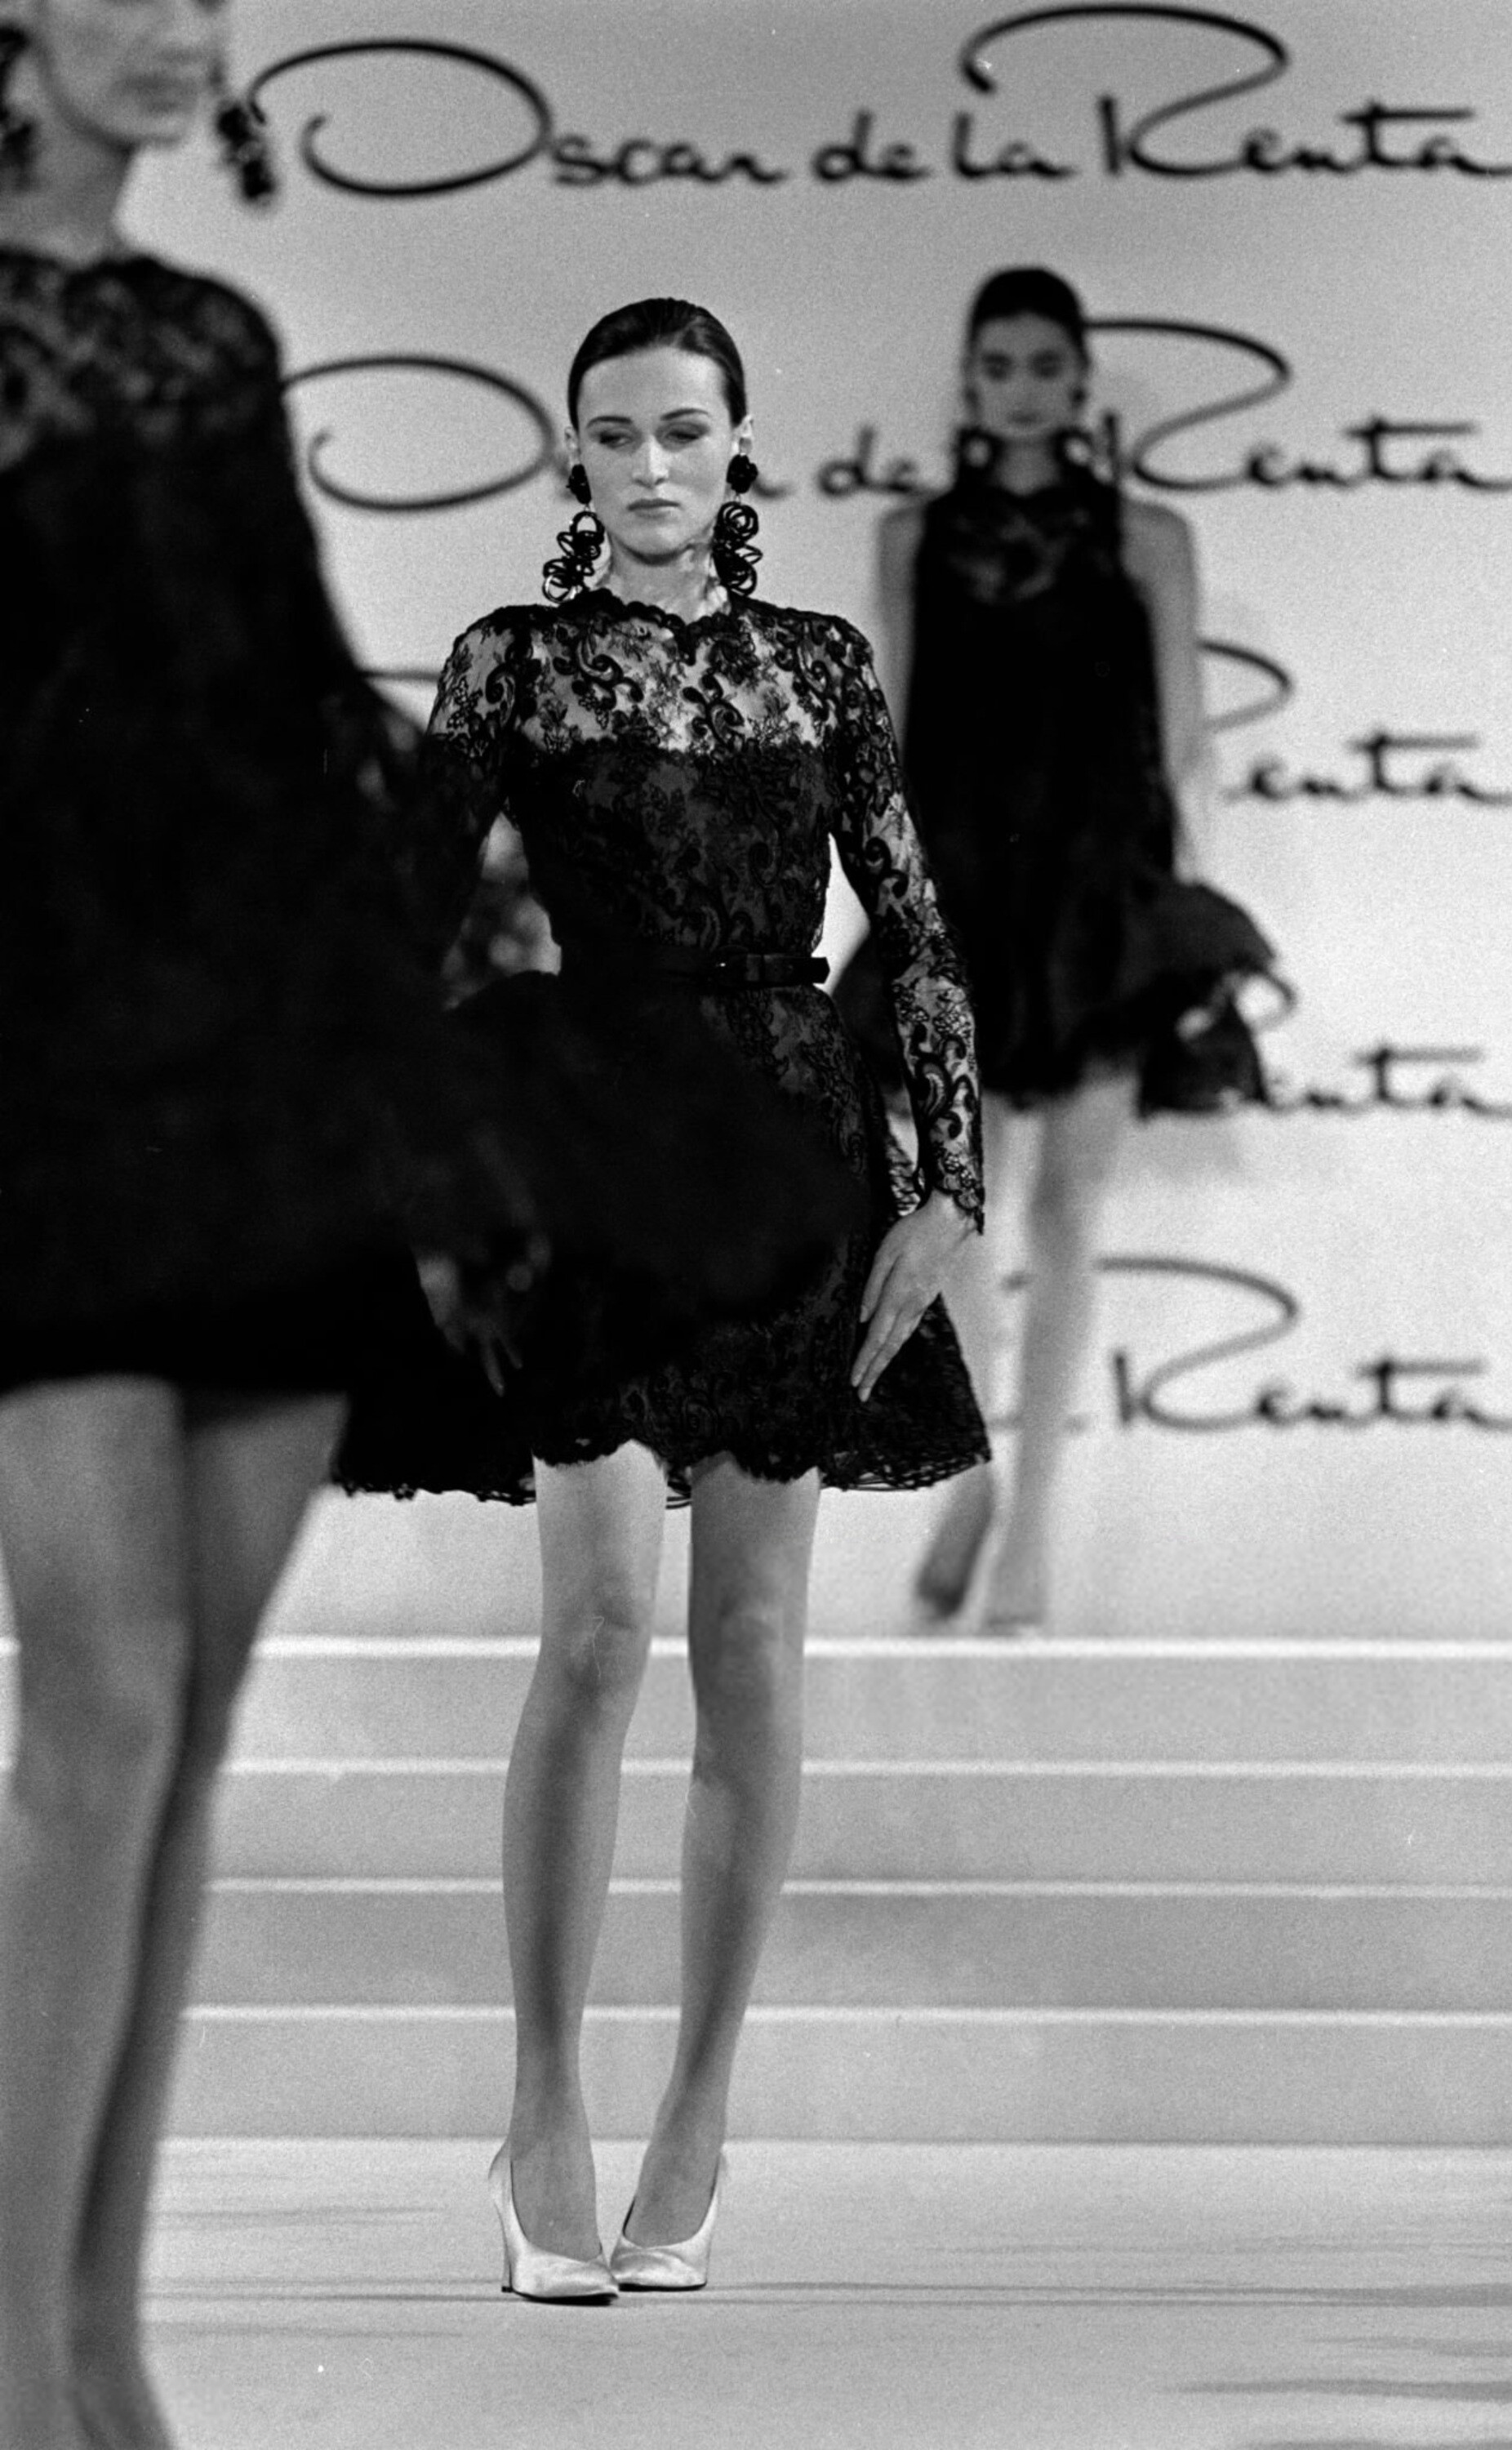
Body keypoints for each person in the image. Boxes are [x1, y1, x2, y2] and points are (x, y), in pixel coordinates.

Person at [0, 18, 846, 2446]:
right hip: (67, 1065)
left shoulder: (208, 334)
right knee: (104, 1718)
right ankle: (34, 2363)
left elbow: (288, 729)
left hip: (253, 1078)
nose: (186, 23)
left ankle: (91, 2354)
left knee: (166, 1731)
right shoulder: (467, 619)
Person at [341, 296, 988, 2302]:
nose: (647, 465)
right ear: (573, 451)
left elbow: (919, 938)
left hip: (789, 1159)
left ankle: (698, 2113)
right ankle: (541, 2108)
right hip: (591, 1161)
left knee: (755, 1643)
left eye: (682, 430)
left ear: (737, 445)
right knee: (601, 1627)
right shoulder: (512, 664)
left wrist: (949, 1194)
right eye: (613, 432)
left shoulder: (819, 667)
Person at [835, 265, 1277, 1634]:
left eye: (1044, 365)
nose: (1022, 388)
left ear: (1081, 381)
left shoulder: (1149, 536)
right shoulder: (911, 536)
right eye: (999, 365)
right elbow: (893, 733)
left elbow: (1185, 737)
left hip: (1100, 903)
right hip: (962, 901)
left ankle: (1029, 1529)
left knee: (1069, 1218)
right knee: (956, 1209)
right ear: (969, 383)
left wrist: (1185, 909)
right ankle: (974, 1480)